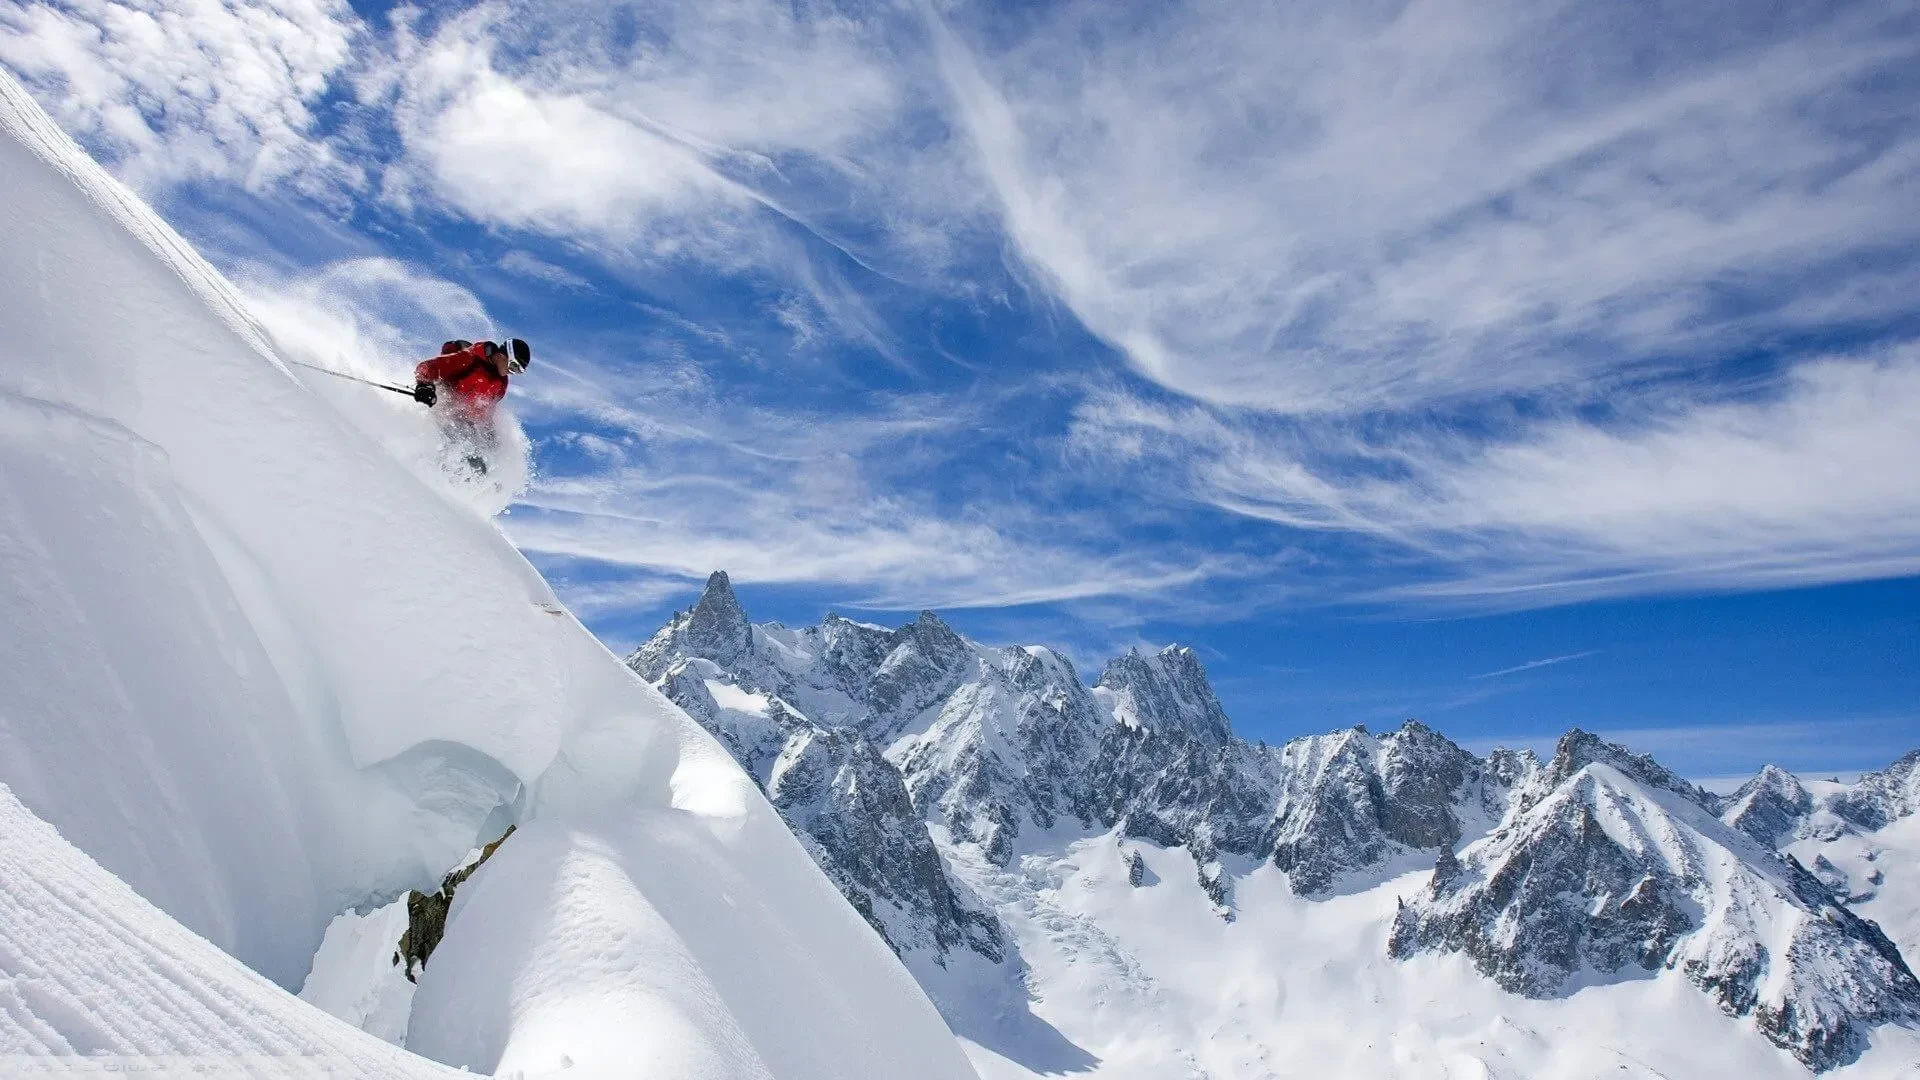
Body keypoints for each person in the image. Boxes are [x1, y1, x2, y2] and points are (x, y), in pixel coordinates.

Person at [414, 338, 530, 474]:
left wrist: (490, 435)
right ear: (501, 355)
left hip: (467, 426)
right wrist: (424, 385)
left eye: (518, 371)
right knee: (467, 460)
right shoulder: (471, 359)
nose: (512, 372)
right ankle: (435, 474)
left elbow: (486, 411)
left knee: (483, 467)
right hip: (445, 415)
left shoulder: (501, 384)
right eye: (513, 366)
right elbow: (428, 367)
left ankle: (483, 488)